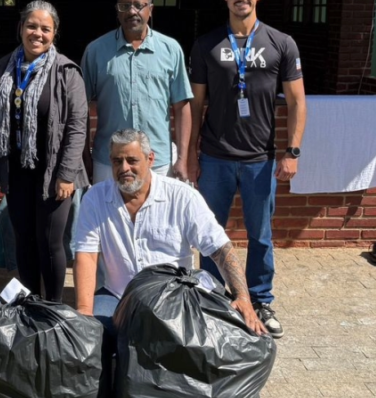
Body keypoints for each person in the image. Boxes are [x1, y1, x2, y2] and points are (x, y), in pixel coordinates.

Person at [186, 0, 307, 339]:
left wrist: (293, 152)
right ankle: (212, 298)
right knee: (210, 232)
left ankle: (259, 299)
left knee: (260, 235)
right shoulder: (206, 44)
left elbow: (297, 101)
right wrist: (189, 155)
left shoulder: (280, 43)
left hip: (260, 159)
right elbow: (195, 106)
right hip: (216, 157)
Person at [73, 128, 263, 339]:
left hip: (175, 297)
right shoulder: (95, 198)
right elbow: (86, 255)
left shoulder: (182, 196)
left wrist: (243, 298)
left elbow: (220, 249)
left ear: (150, 159)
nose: (124, 168)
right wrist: (84, 309)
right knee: (91, 339)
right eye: (117, 161)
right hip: (118, 295)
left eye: (132, 160)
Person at [0, 0, 88, 302]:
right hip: (18, 171)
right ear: (21, 27)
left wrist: (67, 174)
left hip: (55, 173)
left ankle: (54, 306)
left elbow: (76, 126)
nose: (37, 33)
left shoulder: (66, 71)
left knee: (50, 242)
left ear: (54, 33)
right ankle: (32, 303)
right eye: (31, 26)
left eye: (45, 28)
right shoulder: (1, 69)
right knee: (24, 240)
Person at [80, 0, 192, 183]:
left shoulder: (170, 49)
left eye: (139, 5)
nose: (132, 11)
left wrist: (183, 159)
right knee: (107, 214)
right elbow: (80, 108)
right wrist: (84, 155)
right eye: (125, 6)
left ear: (151, 9)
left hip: (157, 161)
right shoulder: (96, 51)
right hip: (109, 161)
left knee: (158, 215)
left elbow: (182, 106)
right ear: (117, 10)